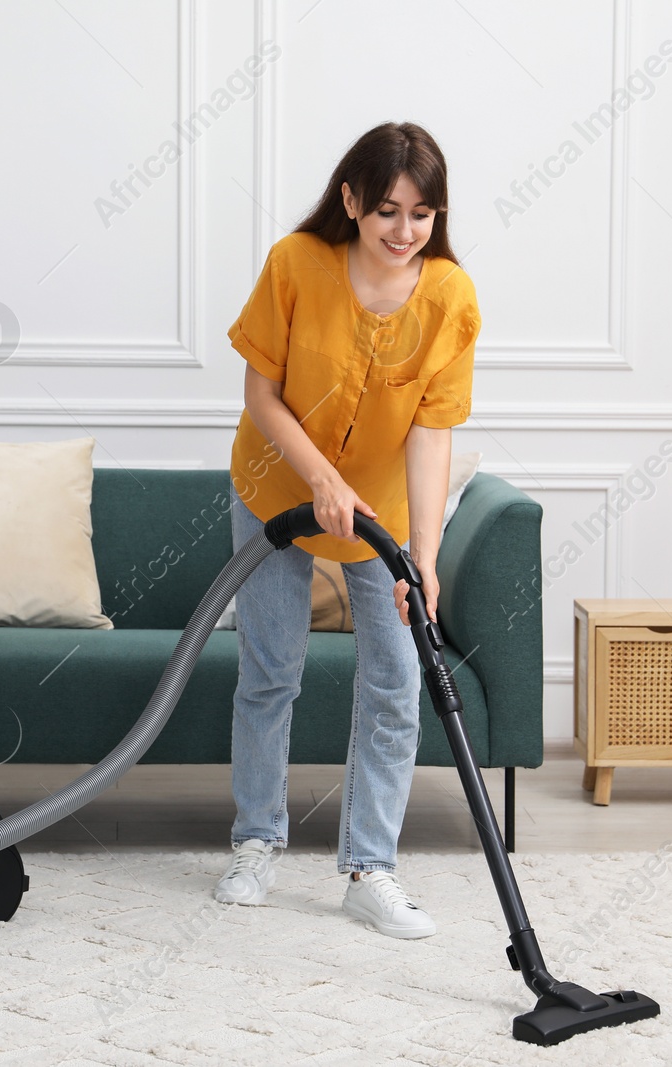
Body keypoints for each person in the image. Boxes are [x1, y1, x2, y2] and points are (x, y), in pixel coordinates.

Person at [214, 121, 481, 939]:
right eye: (390, 211)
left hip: (383, 519)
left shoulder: (449, 298)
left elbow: (431, 434)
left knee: (398, 681)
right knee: (271, 670)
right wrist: (321, 480)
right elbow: (263, 395)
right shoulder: (296, 264)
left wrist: (425, 558)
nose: (405, 233)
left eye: (424, 215)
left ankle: (370, 867)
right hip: (275, 493)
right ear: (353, 200)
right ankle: (256, 840)